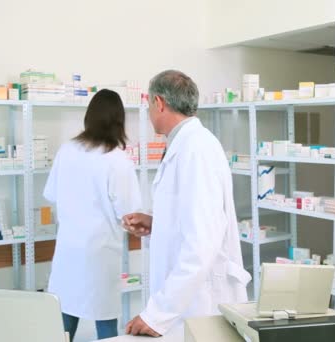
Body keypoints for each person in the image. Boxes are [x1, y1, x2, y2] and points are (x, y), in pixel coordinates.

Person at [122, 70, 251, 337]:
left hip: (201, 303)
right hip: (188, 302)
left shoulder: (196, 150)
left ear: (159, 103)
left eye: (148, 107)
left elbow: (201, 242)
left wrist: (156, 315)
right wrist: (155, 224)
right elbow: (192, 220)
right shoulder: (184, 145)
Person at [43, 89, 142, 341]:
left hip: (68, 251)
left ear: (89, 117)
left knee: (63, 323)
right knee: (106, 323)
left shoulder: (67, 150)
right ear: (119, 121)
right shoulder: (118, 160)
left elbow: (52, 194)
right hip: (99, 255)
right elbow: (130, 214)